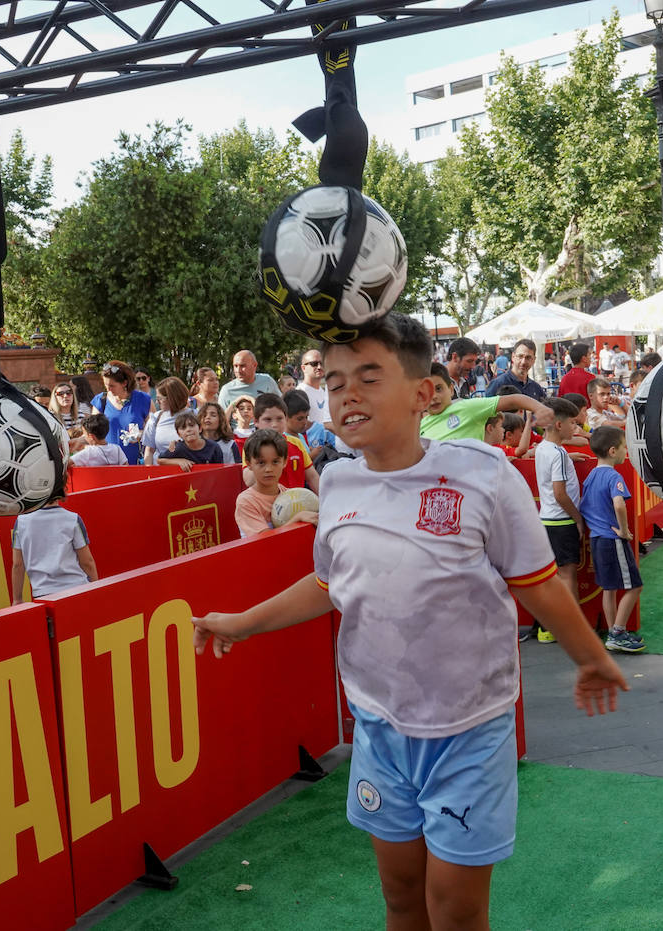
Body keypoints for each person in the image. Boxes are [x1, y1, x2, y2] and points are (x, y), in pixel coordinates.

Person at [190, 313, 626, 929]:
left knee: (454, 911)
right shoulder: (336, 484)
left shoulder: (482, 475)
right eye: (336, 382)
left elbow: (538, 584)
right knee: (400, 899)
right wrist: (242, 621)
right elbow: (327, 585)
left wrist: (591, 657)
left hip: (470, 730)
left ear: (424, 393)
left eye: (370, 376)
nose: (348, 395)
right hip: (378, 728)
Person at [580, 426, 646, 654]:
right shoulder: (613, 476)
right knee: (635, 586)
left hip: (598, 539)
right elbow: (619, 504)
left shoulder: (591, 476)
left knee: (608, 589)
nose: (625, 451)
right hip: (612, 540)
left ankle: (613, 632)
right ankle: (618, 632)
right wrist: (623, 530)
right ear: (612, 451)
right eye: (623, 448)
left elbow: (584, 506)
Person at [532, 396, 585, 644]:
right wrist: (578, 518)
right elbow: (560, 493)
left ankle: (548, 627)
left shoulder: (545, 449)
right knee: (567, 576)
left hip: (547, 520)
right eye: (573, 423)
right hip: (562, 522)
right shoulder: (558, 454)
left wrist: (568, 456)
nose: (576, 428)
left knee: (554, 578)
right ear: (558, 424)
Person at [10, 484, 98, 603]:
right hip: (77, 589)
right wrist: (96, 590)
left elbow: (17, 565)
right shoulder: (73, 519)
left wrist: (17, 599)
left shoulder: (21, 522)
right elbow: (87, 562)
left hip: (42, 593)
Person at [421, 363, 555, 441]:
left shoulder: (468, 407)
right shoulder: (420, 426)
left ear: (451, 389)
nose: (434, 396)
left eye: (438, 389)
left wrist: (539, 408)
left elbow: (514, 399)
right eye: (428, 391)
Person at [233, 429, 316, 537]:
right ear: (249, 464)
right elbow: (266, 542)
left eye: (275, 462)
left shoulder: (288, 494)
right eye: (261, 463)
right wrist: (297, 519)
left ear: (285, 462)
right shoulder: (246, 501)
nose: (268, 469)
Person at [250, 394, 319, 493]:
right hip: (267, 506)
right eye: (268, 420)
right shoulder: (252, 446)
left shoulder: (296, 443)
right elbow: (248, 481)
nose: (274, 425)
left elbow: (312, 477)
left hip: (298, 504)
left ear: (286, 419)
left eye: (279, 419)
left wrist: (326, 501)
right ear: (256, 421)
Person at [91, 361, 151, 464]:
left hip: (136, 462)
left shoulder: (143, 399)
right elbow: (92, 432)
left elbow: (154, 430)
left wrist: (142, 433)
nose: (108, 389)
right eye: (105, 385)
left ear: (124, 383)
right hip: (107, 463)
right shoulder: (101, 400)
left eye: (112, 386)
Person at [142, 377, 194, 465]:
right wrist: (149, 472)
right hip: (160, 472)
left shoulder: (195, 416)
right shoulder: (156, 418)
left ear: (172, 398)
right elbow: (149, 450)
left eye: (160, 398)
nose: (157, 402)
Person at [158, 411, 225, 469]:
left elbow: (220, 470)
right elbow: (160, 460)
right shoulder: (178, 448)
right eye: (183, 428)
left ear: (200, 428)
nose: (188, 430)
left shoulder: (213, 447)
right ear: (178, 434)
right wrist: (178, 461)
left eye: (192, 425)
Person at [218, 350, 282, 407]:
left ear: (254, 365)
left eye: (242, 366)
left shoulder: (267, 381)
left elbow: (281, 404)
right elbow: (221, 418)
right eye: (235, 366)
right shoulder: (227, 390)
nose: (238, 370)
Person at [297, 349, 331, 425]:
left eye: (321, 363)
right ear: (303, 368)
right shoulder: (300, 393)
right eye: (314, 364)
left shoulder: (323, 391)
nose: (319, 367)